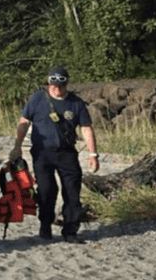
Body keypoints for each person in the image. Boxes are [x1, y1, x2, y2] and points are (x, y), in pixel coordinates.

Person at [9, 67, 98, 244]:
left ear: (66, 84)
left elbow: (86, 128)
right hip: (42, 153)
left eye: (61, 85)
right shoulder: (37, 99)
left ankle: (71, 230)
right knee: (46, 190)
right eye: (54, 85)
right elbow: (24, 122)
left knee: (72, 192)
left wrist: (93, 154)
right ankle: (45, 224)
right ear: (48, 83)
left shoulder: (76, 103)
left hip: (67, 153)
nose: (57, 89)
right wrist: (17, 147)